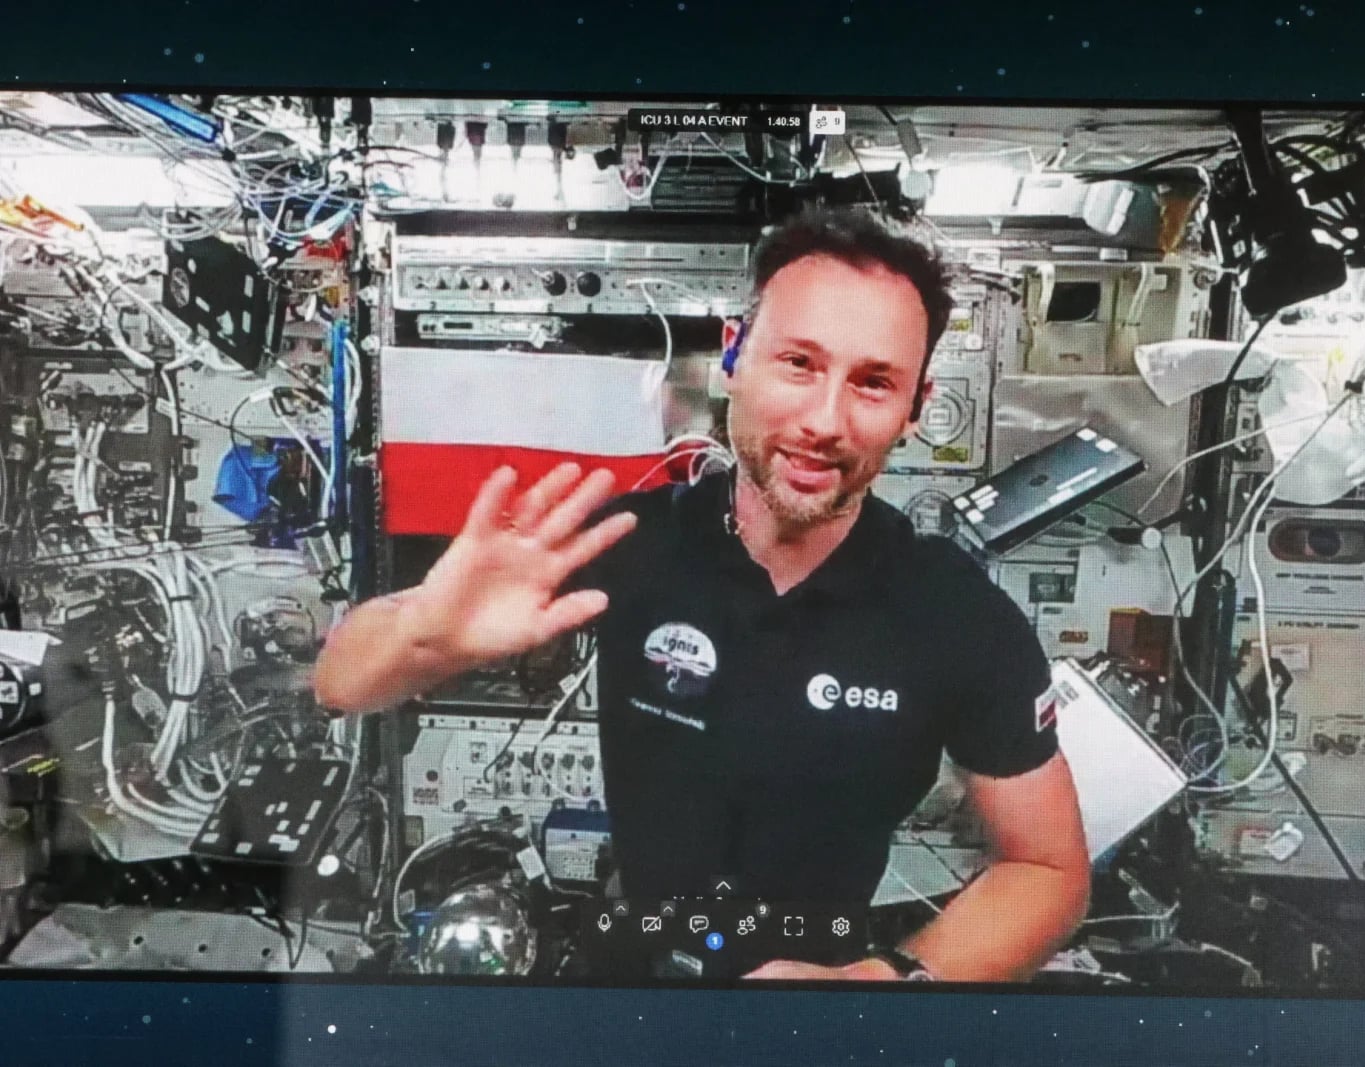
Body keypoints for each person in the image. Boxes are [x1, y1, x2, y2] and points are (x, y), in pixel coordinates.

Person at [315, 206, 1091, 982]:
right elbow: (340, 682)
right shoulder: (630, 538)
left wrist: (880, 982)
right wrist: (425, 631)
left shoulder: (956, 614)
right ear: (734, 354)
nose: (825, 419)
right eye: (798, 363)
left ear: (915, 409)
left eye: (873, 382)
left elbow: (1049, 870)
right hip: (633, 967)